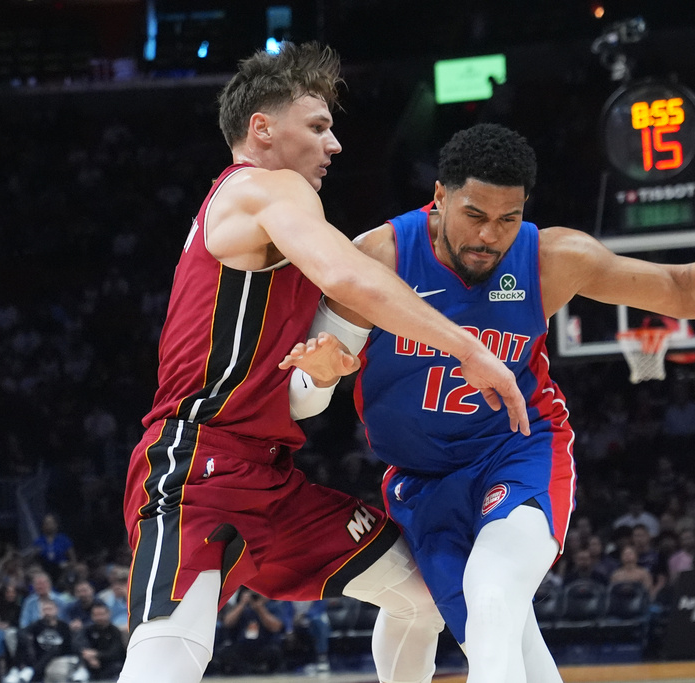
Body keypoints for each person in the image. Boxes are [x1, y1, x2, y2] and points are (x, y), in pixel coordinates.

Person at [282, 122, 695, 681]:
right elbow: (303, 401)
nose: (490, 237)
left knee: (493, 591)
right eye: (475, 215)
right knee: (498, 643)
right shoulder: (378, 257)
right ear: (440, 197)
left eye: (508, 219)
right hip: (421, 480)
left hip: (519, 452)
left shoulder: (549, 257)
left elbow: (681, 287)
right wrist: (322, 379)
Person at [117, 44, 529, 683]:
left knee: (424, 596)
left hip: (272, 478)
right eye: (317, 126)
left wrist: (322, 371)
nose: (334, 144)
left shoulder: (282, 225)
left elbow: (300, 394)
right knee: (166, 660)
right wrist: (469, 346)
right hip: (196, 466)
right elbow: (349, 273)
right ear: (262, 129)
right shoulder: (261, 189)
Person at [74, 602, 126, 681]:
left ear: (108, 614)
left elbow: (116, 652)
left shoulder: (114, 631)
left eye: (102, 614)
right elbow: (79, 645)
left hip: (111, 664)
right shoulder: (87, 630)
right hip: (90, 663)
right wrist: (90, 658)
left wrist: (97, 655)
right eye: (96, 615)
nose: (99, 617)